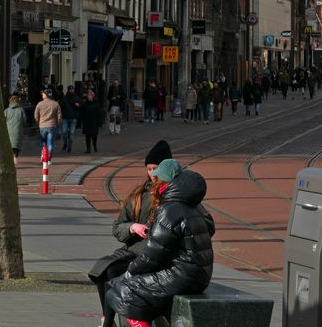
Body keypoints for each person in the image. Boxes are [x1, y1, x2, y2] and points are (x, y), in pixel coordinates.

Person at [105, 158, 215, 327]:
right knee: (119, 284)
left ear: (165, 182)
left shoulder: (170, 209)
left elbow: (154, 253)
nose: (153, 180)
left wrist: (132, 270)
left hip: (183, 275)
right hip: (196, 274)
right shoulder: (191, 205)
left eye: (157, 177)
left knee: (122, 291)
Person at [89, 140, 171, 327]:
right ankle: (107, 318)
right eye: (149, 169)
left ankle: (109, 323)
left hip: (154, 256)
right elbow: (118, 227)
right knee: (103, 269)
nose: (152, 174)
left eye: (156, 169)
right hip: (133, 251)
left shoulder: (173, 194)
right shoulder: (139, 195)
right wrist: (132, 227)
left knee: (115, 274)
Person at [34, 88, 62, 162]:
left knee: (43, 142)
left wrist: (37, 123)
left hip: (42, 126)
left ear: (46, 95)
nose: (42, 95)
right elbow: (59, 116)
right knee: (50, 142)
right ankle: (48, 159)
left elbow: (36, 116)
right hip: (52, 126)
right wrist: (58, 125)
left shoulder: (39, 104)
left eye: (43, 94)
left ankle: (43, 154)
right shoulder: (56, 104)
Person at [4, 95, 26, 164]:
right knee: (17, 144)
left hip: (8, 130)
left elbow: (3, 120)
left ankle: (11, 156)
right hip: (18, 130)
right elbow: (24, 120)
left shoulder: (7, 110)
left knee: (10, 144)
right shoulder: (21, 110)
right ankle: (15, 156)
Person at [61, 85, 81, 153]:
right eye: (70, 89)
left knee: (72, 133)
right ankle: (65, 144)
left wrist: (78, 106)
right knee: (64, 132)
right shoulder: (64, 98)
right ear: (68, 90)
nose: (71, 90)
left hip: (73, 118)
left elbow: (80, 106)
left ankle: (69, 147)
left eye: (72, 89)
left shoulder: (76, 98)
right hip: (65, 117)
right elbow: (61, 106)